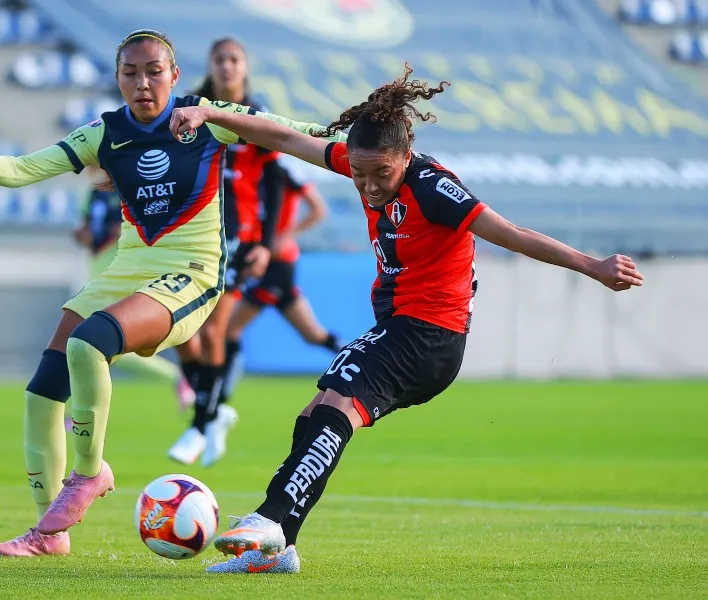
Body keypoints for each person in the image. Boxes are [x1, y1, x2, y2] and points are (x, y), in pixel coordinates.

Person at [168, 63, 644, 574]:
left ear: (405, 158)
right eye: (358, 174)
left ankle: (270, 520)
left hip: (430, 335)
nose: (369, 186)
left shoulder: (434, 188)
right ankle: (281, 549)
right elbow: (283, 137)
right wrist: (211, 111)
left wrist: (593, 266)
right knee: (317, 413)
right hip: (403, 328)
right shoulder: (359, 160)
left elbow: (510, 232)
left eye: (381, 175)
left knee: (337, 402)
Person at [0, 28, 341, 558]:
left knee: (88, 343)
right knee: (41, 394)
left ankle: (88, 475)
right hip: (127, 270)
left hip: (190, 274)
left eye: (154, 71)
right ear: (118, 79)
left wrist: (335, 134)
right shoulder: (103, 133)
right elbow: (26, 168)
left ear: (174, 76)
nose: (143, 82)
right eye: (131, 72)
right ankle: (49, 534)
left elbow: (280, 130)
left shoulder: (202, 116)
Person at [168, 37, 285, 468]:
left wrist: (267, 245)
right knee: (178, 331)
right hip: (191, 235)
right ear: (210, 65)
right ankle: (214, 409)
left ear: (246, 66)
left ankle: (200, 423)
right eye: (220, 59)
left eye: (235, 59)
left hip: (241, 239)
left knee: (215, 333)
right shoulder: (189, 109)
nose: (227, 66)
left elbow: (274, 183)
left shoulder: (257, 119)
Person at [73, 171, 196, 413]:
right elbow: (87, 228)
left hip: (120, 266)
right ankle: (80, 412)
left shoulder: (130, 183)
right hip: (97, 264)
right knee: (89, 344)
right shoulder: (94, 192)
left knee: (90, 341)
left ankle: (177, 378)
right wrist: (84, 235)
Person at [221, 160, 343, 403]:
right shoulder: (250, 169)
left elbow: (318, 209)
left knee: (229, 329)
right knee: (313, 335)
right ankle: (361, 359)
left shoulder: (284, 168)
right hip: (263, 260)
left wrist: (285, 237)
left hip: (277, 264)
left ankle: (222, 393)